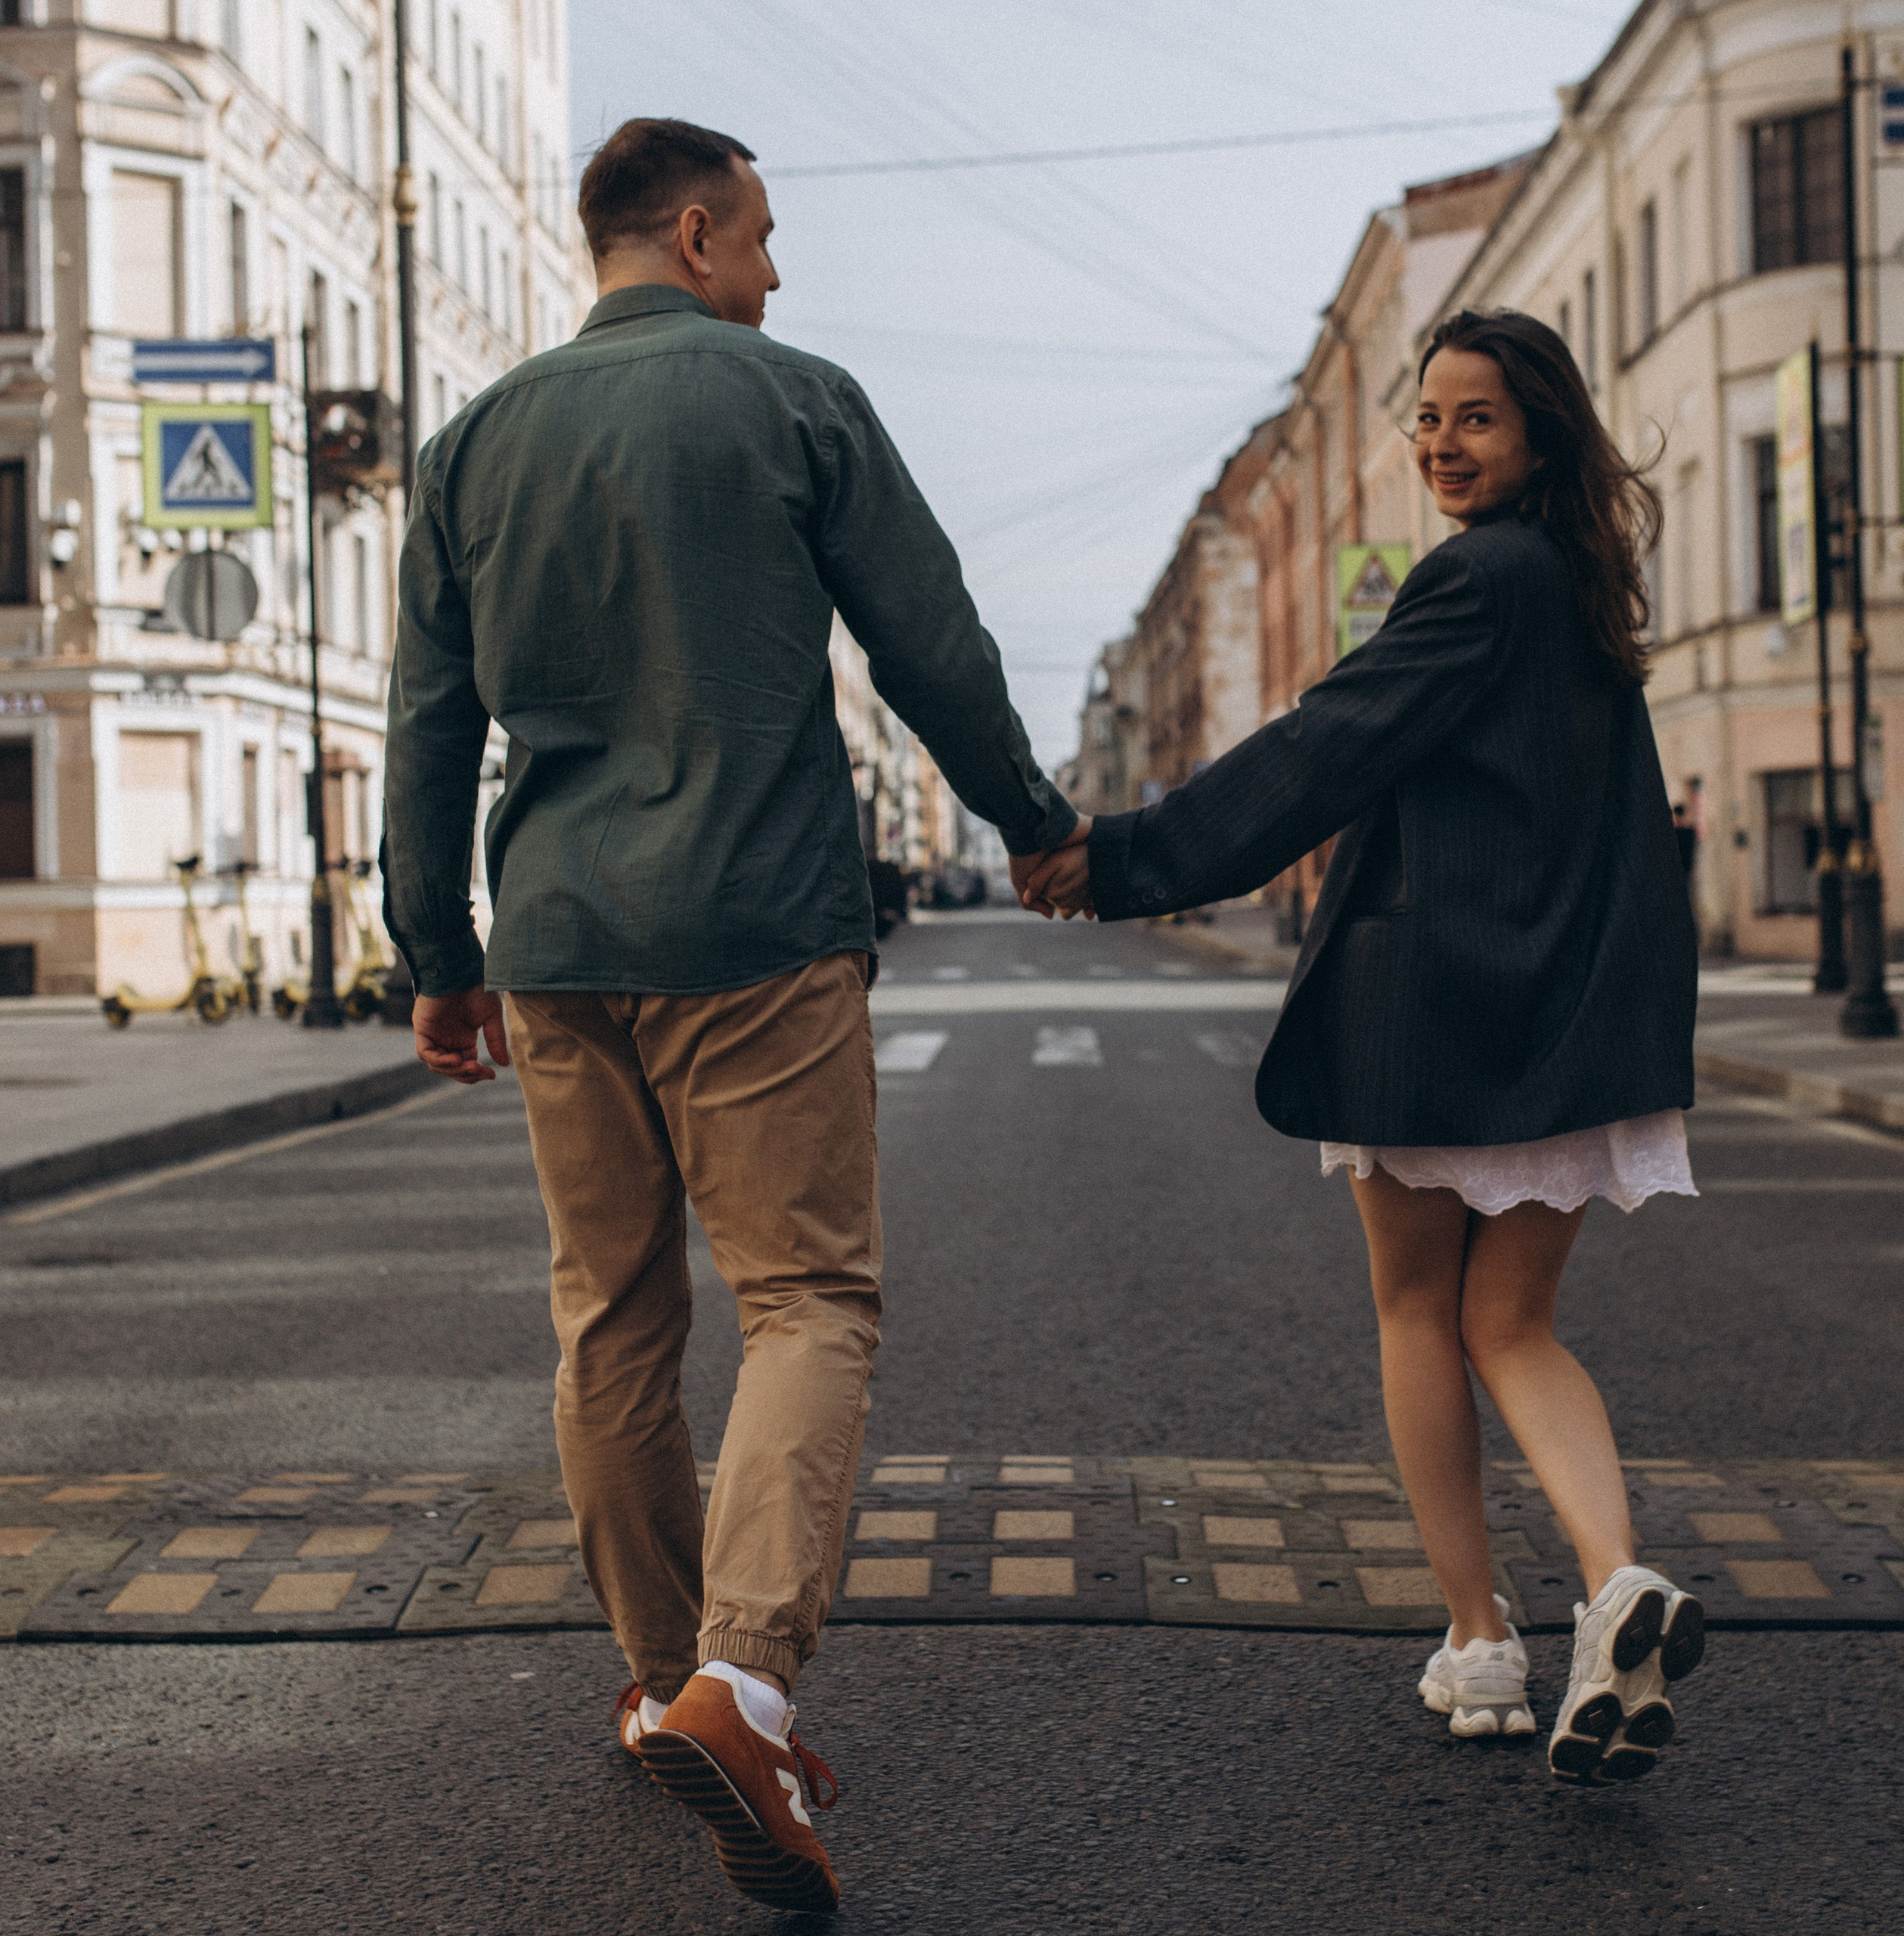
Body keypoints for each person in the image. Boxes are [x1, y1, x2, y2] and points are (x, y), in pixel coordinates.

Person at [382, 116, 1080, 1913]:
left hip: (549, 934)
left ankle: (651, 1680)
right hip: (753, 923)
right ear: (692, 232)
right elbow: (926, 636)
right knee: (804, 1294)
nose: (773, 270)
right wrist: (1034, 817)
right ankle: (744, 1677)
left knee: (609, 1312)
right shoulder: (788, 397)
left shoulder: (467, 444)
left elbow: (429, 725)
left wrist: (430, 948)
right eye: (761, 235)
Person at [1022, 307, 1703, 1785]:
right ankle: (1614, 1581)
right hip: (1563, 1002)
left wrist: (1128, 855)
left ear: (1536, 432)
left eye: (1473, 416)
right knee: (1509, 1323)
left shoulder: (1471, 579)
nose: (1439, 443)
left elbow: (1324, 747)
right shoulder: (1585, 585)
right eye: (1424, 416)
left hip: (1433, 1001)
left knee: (1413, 1309)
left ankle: (1476, 1636)